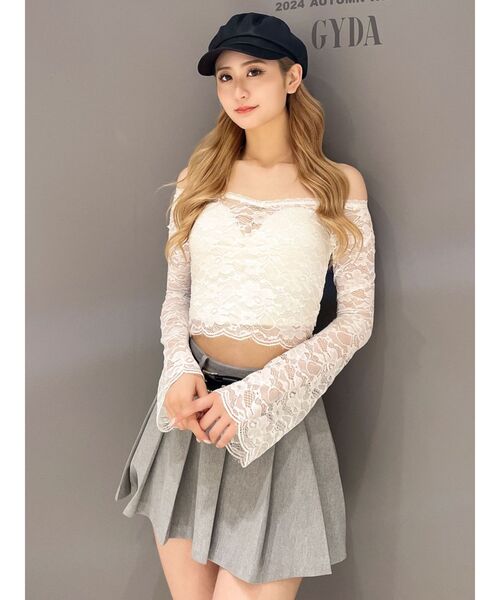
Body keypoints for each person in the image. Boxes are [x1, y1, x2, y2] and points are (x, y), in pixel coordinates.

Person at [115, 11, 376, 600]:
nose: (238, 90)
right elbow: (176, 296)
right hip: (189, 416)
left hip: (276, 417)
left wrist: (254, 397)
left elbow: (356, 320)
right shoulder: (199, 177)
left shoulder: (339, 185)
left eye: (254, 71)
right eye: (225, 77)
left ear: (292, 78)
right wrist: (177, 370)